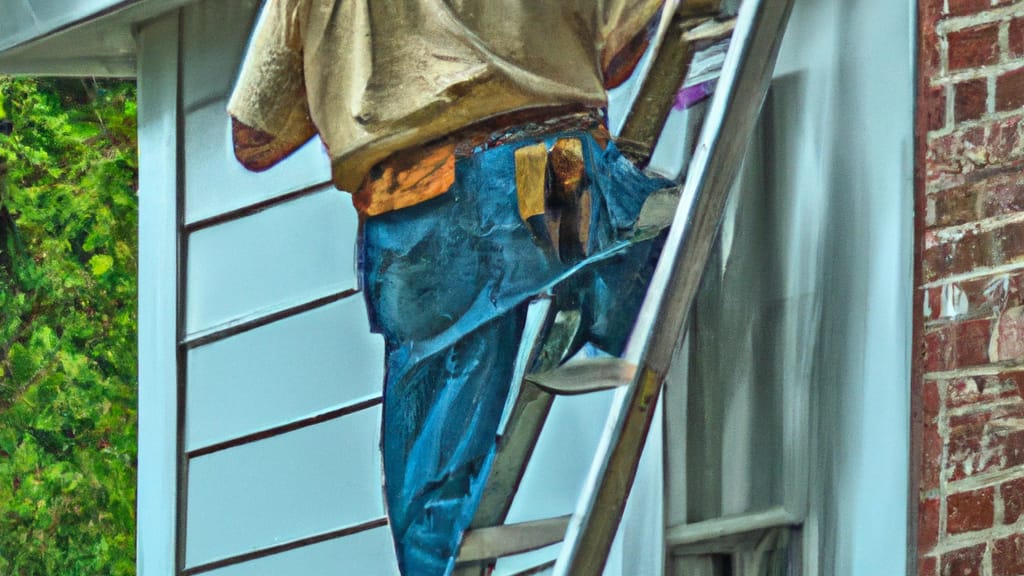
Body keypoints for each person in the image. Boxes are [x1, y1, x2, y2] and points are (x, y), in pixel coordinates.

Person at [228, 2, 670, 574]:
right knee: (647, 282)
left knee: (436, 469)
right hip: (551, 170)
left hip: (421, 214)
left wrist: (350, 92)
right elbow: (620, 47)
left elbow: (253, 139)